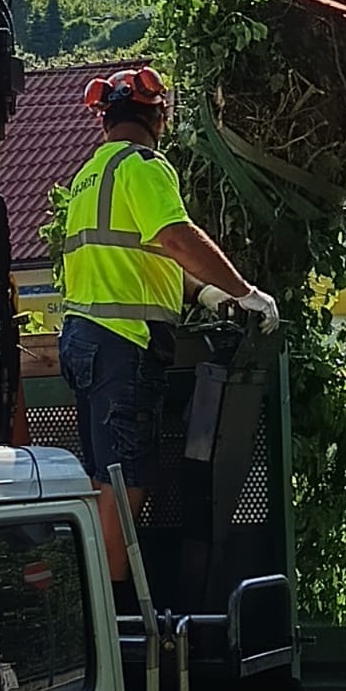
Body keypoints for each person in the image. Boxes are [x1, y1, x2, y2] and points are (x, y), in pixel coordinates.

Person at [59, 65, 279, 591]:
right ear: (159, 116)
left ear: (104, 120)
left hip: (85, 342)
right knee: (125, 486)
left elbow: (142, 256)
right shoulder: (144, 166)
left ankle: (103, 599)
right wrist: (245, 292)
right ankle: (112, 613)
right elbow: (176, 237)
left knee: (101, 480)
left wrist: (204, 292)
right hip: (123, 349)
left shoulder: (90, 175)